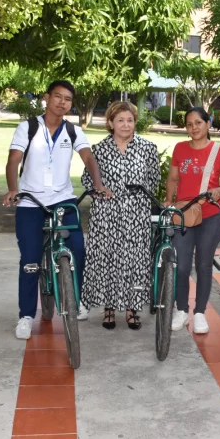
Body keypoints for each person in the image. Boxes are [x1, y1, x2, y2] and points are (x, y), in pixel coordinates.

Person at [3, 80, 111, 340]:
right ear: (46, 98)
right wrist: (13, 188)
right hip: (31, 202)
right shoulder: (27, 127)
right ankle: (26, 316)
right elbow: (13, 160)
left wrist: (98, 184)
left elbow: (88, 158)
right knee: (29, 261)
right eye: (58, 97)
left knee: (78, 249)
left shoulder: (73, 131)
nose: (62, 103)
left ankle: (76, 300)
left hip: (63, 201)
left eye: (67, 99)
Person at [81, 101, 160, 330]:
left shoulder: (148, 148)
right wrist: (103, 194)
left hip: (137, 214)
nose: (126, 125)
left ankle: (132, 309)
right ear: (110, 123)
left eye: (130, 120)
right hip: (106, 214)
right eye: (120, 120)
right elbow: (88, 181)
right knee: (107, 260)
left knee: (135, 261)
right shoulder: (98, 149)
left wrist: (135, 201)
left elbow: (153, 182)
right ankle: (109, 309)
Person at [165, 106, 220, 334]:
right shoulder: (180, 148)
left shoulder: (219, 149)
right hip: (184, 215)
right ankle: (181, 310)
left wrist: (218, 191)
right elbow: (173, 179)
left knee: (204, 265)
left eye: (198, 123)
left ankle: (200, 313)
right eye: (189, 124)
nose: (194, 127)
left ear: (208, 124)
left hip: (212, 215)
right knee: (182, 266)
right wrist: (168, 200)